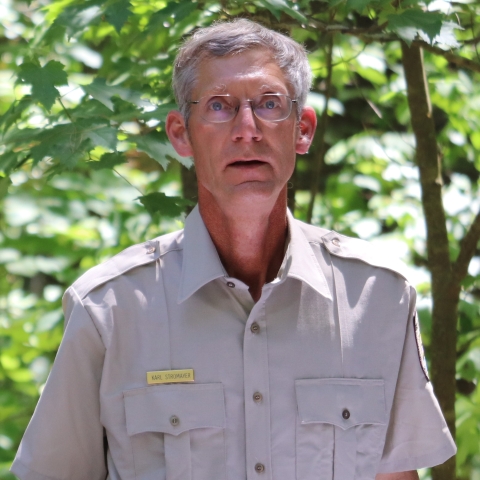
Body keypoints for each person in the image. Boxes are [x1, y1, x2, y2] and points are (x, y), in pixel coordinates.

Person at [11, 19, 455, 480]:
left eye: (269, 105)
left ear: (302, 130)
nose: (248, 129)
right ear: (181, 134)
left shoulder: (376, 297)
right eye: (220, 107)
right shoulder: (109, 310)